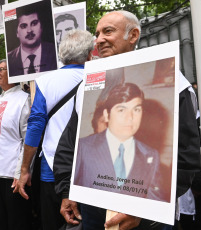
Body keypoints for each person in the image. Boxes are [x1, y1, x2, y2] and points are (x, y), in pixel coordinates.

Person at [53, 10, 200, 230]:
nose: (99, 39)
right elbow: (69, 143)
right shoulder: (86, 87)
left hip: (147, 220)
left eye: (108, 31)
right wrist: (67, 191)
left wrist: (144, 209)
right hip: (93, 212)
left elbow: (187, 155)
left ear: (133, 35)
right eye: (97, 33)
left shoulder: (177, 86)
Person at [13, 29, 94, 230]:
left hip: (52, 168)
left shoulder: (45, 81)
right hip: (90, 170)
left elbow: (35, 126)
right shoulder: (99, 77)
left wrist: (25, 169)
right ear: (90, 54)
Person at [74, 83, 166, 202]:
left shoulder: (151, 155)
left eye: (136, 109)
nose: (130, 117)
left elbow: (155, 202)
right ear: (107, 115)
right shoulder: (83, 147)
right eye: (121, 110)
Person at [0, 59, 31, 230]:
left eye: (1, 70)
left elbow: (28, 139)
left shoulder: (24, 99)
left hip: (12, 175)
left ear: (14, 74)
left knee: (16, 222)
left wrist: (22, 170)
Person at [7, 3, 57, 77]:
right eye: (23, 26)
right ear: (17, 32)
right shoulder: (9, 60)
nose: (29, 30)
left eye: (34, 23)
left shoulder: (56, 52)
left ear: (41, 27)